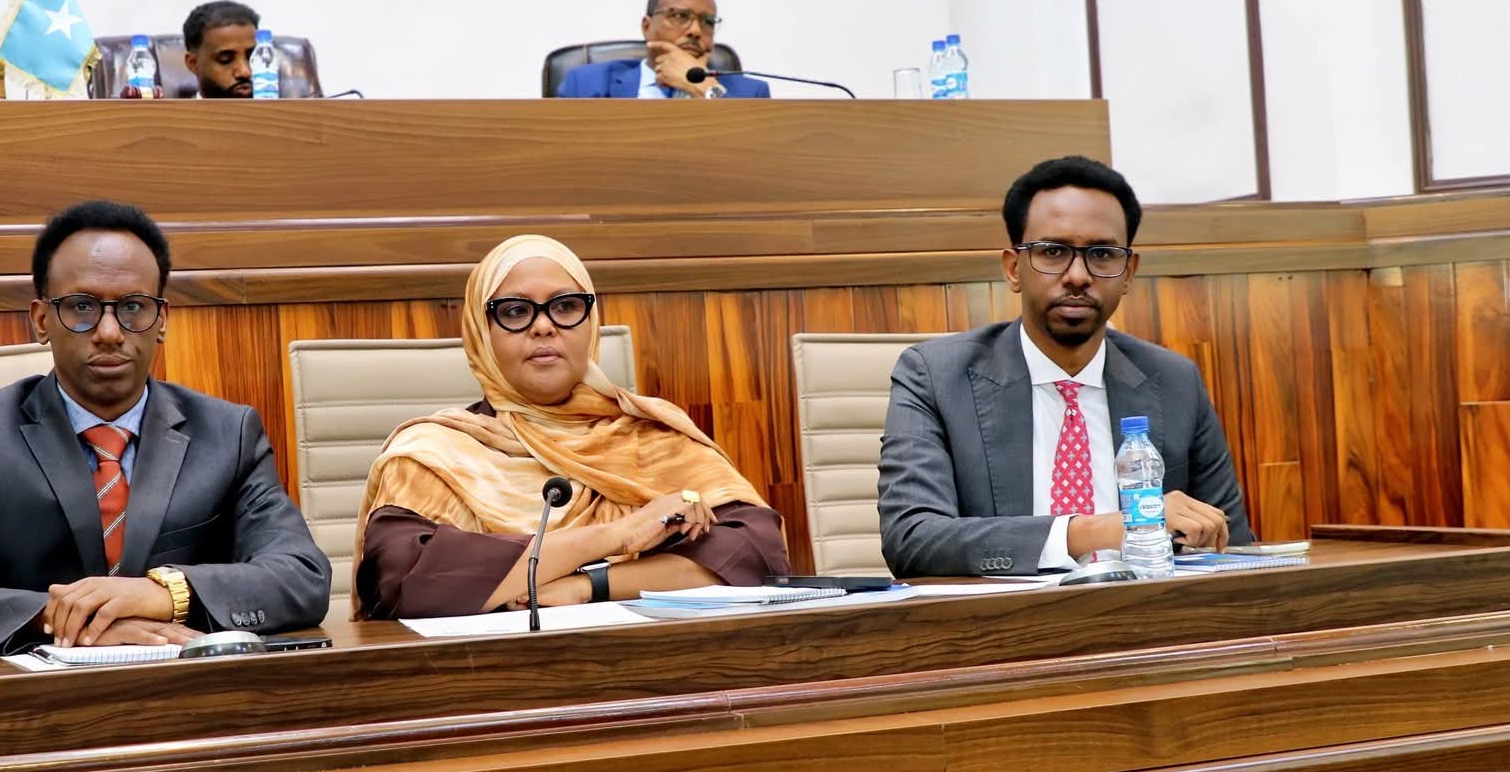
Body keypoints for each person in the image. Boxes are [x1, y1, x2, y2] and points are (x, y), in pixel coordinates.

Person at [0, 199, 328, 653]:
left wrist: (166, 594)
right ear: (41, 320)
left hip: (187, 687)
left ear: (161, 321)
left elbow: (302, 577)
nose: (109, 332)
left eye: (133, 307)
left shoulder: (228, 433)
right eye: (81, 306)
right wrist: (67, 618)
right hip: (32, 692)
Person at [353, 234, 789, 618]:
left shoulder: (654, 436)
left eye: (565, 307)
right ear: (481, 332)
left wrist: (586, 586)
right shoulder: (434, 453)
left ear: (591, 321)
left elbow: (756, 555)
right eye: (515, 311)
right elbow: (404, 580)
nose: (543, 326)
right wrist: (614, 537)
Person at [877, 157, 1252, 579]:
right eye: (1053, 252)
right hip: (1006, 617)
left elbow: (1232, 545)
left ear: (1128, 272)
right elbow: (912, 539)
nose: (1077, 275)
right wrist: (1102, 529)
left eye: (1102, 254)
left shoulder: (1175, 382)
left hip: (1145, 613)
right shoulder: (935, 377)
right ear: (1013, 268)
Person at [555, 0, 770, 100]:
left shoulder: (751, 93)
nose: (696, 30)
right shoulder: (585, 83)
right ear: (647, 27)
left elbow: (755, 158)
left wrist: (705, 89)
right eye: (680, 16)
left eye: (708, 21)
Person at [182, 0, 261, 99]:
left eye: (252, 59)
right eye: (225, 59)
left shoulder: (278, 107)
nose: (245, 72)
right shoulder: (172, 109)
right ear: (193, 63)